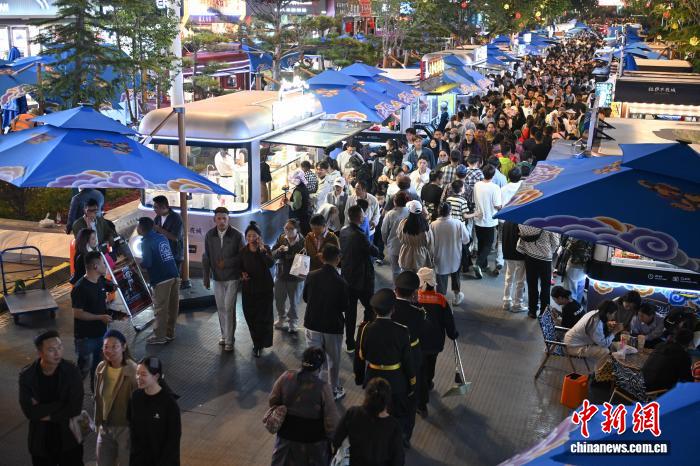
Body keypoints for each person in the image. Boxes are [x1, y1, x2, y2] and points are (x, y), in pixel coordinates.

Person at [354, 289, 415, 449]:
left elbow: (360, 356)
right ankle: (400, 439)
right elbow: (407, 361)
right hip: (396, 380)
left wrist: (360, 377)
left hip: (373, 378)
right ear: (393, 309)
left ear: (374, 310)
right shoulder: (402, 331)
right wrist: (412, 382)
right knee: (399, 413)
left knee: (372, 410)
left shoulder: (365, 329)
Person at [19, 330, 84, 466]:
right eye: (51, 350)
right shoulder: (28, 376)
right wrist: (61, 404)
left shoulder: (71, 371)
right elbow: (30, 412)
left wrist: (45, 412)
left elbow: (75, 408)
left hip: (68, 436)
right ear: (40, 352)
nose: (57, 353)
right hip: (41, 440)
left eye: (59, 347)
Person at [269, 347, 339, 466]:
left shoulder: (286, 377)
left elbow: (273, 400)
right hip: (313, 447)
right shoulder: (323, 387)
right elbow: (331, 421)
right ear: (320, 367)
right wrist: (335, 442)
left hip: (286, 442)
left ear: (302, 361)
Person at [303, 244, 349, 400]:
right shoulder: (341, 282)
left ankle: (313, 388)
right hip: (332, 326)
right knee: (333, 360)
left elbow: (305, 298)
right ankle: (333, 389)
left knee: (313, 358)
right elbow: (344, 306)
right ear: (338, 259)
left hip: (312, 323)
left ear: (322, 258)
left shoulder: (311, 275)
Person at [333, 378, 405, 466]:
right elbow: (398, 460)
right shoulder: (394, 427)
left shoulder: (352, 413)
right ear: (387, 400)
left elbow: (336, 439)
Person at [415, 268, 458, 416]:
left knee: (419, 369)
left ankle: (421, 404)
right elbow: (449, 322)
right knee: (431, 362)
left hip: (418, 343)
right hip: (435, 342)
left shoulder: (415, 299)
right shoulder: (441, 300)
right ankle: (428, 382)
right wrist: (453, 334)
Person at [71, 250, 116, 388]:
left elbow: (111, 289)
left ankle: (96, 393)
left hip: (101, 333)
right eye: (103, 263)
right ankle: (74, 393)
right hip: (86, 337)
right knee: (83, 368)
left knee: (98, 368)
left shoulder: (100, 281)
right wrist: (100, 317)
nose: (106, 265)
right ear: (95, 266)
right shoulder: (80, 288)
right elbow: (77, 313)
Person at [202, 207, 244, 351]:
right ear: (214, 219)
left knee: (229, 307)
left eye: (224, 218)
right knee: (220, 307)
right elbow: (206, 256)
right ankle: (224, 335)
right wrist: (206, 276)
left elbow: (242, 256)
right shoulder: (209, 235)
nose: (221, 221)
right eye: (219, 218)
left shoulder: (237, 235)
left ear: (228, 219)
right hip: (217, 277)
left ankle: (230, 340)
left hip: (232, 276)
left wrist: (227, 263)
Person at [339, 205, 379, 352]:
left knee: (350, 313)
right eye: (363, 214)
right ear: (360, 217)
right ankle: (365, 337)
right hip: (362, 279)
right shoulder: (360, 235)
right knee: (370, 307)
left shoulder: (343, 231)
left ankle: (350, 342)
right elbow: (374, 251)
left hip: (347, 277)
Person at [94, 329, 137, 466]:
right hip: (105, 427)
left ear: (124, 347)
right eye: (106, 346)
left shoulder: (133, 371)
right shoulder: (100, 368)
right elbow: (97, 398)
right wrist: (98, 423)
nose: (109, 350)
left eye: (114, 346)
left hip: (125, 428)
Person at [391, 271, 425, 441]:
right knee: (411, 395)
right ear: (414, 293)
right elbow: (423, 332)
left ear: (395, 289)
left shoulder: (388, 308)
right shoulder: (418, 312)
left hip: (392, 355)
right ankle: (406, 433)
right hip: (412, 355)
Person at [128, 357, 181, 466]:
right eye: (137, 373)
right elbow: (132, 427)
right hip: (139, 460)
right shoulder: (136, 397)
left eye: (143, 374)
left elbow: (173, 439)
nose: (138, 377)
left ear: (156, 376)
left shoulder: (169, 403)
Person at [137, 217, 181, 345]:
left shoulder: (146, 241)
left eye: (138, 226)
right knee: (173, 306)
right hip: (174, 274)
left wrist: (138, 264)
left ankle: (160, 336)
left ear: (141, 228)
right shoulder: (162, 237)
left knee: (161, 309)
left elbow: (148, 263)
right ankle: (169, 333)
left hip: (161, 278)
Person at [239, 221, 275, 358]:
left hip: (264, 290)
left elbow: (270, 264)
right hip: (249, 289)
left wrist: (262, 251)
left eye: (254, 236)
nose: (251, 238)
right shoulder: (243, 251)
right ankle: (256, 342)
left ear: (259, 237)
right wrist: (242, 274)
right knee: (250, 317)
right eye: (248, 236)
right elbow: (239, 266)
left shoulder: (265, 249)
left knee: (263, 318)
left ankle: (260, 344)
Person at [563, 300, 623, 372]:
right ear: (608, 314)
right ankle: (598, 373)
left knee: (613, 345)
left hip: (573, 339)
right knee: (605, 351)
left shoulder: (595, 312)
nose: (614, 316)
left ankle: (605, 368)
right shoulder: (595, 324)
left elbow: (597, 332)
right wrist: (615, 331)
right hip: (573, 347)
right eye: (613, 314)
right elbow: (604, 344)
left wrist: (607, 325)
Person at [517, 225, 560, 319]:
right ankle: (543, 313)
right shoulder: (549, 224)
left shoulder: (524, 222)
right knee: (545, 286)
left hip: (530, 256)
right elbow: (556, 243)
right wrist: (549, 251)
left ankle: (532, 311)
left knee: (532, 285)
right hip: (545, 259)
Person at [430, 202, 469, 305]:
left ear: (438, 211)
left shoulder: (433, 225)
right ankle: (457, 296)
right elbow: (466, 240)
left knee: (441, 280)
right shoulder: (458, 223)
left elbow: (430, 243)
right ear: (450, 211)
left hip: (440, 257)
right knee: (456, 276)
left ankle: (441, 301)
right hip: (455, 256)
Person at [271, 219, 305, 334]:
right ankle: (282, 317)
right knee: (279, 299)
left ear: (297, 229)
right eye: (286, 228)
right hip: (281, 274)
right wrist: (279, 250)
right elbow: (273, 254)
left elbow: (306, 258)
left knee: (294, 301)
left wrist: (291, 252)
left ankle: (293, 321)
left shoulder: (303, 241)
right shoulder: (281, 238)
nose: (288, 231)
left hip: (296, 277)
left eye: (291, 228)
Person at [472, 164, 502, 278]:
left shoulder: (477, 185)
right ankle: (478, 264)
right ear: (493, 175)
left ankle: (483, 265)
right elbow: (497, 205)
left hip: (478, 218)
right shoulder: (495, 187)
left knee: (481, 242)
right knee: (488, 245)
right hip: (490, 220)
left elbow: (474, 200)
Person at [396, 201, 432, 273]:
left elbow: (399, 236)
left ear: (409, 211)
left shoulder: (403, 223)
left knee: (406, 277)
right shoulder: (426, 226)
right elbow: (430, 243)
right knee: (419, 277)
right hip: (420, 256)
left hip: (405, 254)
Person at [152, 196, 184, 274]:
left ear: (163, 207)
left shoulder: (176, 218)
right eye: (154, 207)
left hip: (174, 255)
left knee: (173, 277)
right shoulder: (158, 217)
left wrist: (159, 229)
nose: (154, 209)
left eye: (156, 207)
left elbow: (176, 238)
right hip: (161, 254)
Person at [501, 220, 527, 312]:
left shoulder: (507, 221)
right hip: (519, 254)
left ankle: (506, 302)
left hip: (507, 252)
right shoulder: (522, 222)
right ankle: (517, 304)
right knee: (520, 281)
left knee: (509, 278)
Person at [560, 237, 593, 303]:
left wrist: (562, 266)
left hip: (572, 267)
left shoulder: (575, 238)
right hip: (584, 269)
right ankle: (578, 307)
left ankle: (571, 308)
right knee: (580, 291)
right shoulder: (590, 241)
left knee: (570, 291)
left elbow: (566, 253)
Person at [286, 170, 312, 235]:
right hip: (305, 216)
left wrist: (288, 202)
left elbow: (296, 206)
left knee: (300, 234)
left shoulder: (298, 191)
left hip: (299, 218)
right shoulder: (304, 187)